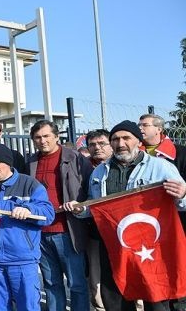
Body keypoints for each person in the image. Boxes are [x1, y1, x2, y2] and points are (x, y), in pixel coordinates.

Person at [71, 120, 186, 311]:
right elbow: (95, 206)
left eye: (126, 138)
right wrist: (81, 209)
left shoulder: (161, 167)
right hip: (114, 244)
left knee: (155, 297)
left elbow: (181, 205)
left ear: (138, 141)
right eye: (115, 139)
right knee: (115, 297)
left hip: (151, 246)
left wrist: (182, 194)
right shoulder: (100, 172)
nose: (120, 143)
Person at [0, 144, 54, 311]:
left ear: (9, 163)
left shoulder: (29, 184)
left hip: (22, 261)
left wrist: (29, 210)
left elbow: (48, 214)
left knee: (27, 306)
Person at [27, 120, 91, 311]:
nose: (42, 141)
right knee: (51, 283)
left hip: (68, 231)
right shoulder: (30, 162)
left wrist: (80, 208)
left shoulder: (76, 159)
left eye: (46, 136)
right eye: (37, 137)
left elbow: (90, 191)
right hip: (40, 232)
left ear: (56, 136)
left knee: (76, 284)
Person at [84, 128, 112, 311]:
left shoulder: (124, 165)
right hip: (94, 231)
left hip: (122, 231)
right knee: (96, 278)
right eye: (92, 144)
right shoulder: (83, 167)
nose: (97, 148)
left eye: (102, 143)